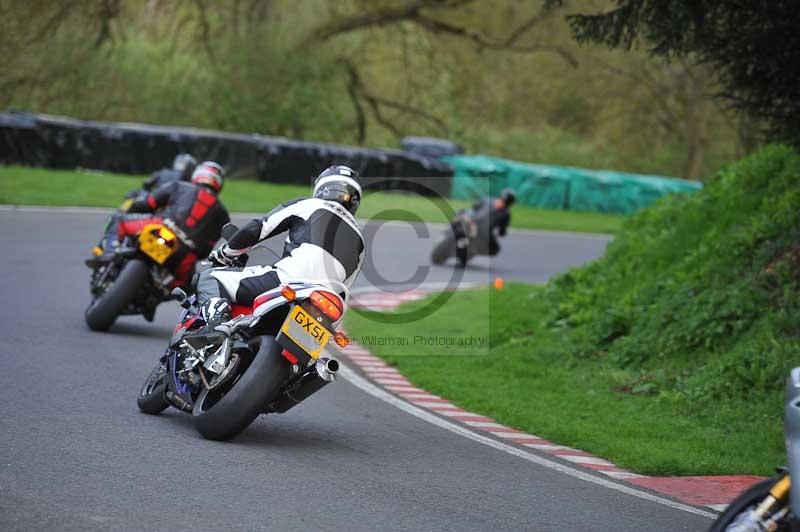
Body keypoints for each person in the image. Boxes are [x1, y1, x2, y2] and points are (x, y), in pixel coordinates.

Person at [194, 165, 365, 331]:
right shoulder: (361, 243)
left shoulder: (310, 205)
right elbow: (346, 287)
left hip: (289, 281)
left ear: (323, 189)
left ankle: (215, 327)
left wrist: (225, 253)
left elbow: (259, 228)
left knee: (210, 277)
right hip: (327, 303)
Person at [90, 161, 230, 287]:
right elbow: (206, 249)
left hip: (160, 228)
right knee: (185, 287)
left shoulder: (179, 186)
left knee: (119, 220)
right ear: (219, 184)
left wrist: (131, 207)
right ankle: (159, 293)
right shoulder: (223, 215)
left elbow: (148, 203)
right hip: (185, 254)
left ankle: (110, 251)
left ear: (197, 175)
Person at [470, 188, 515, 256]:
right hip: (482, 230)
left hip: (473, 223)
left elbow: (474, 206)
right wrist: (502, 233)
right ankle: (472, 251)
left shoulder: (487, 199)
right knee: (495, 248)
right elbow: (502, 231)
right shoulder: (506, 214)